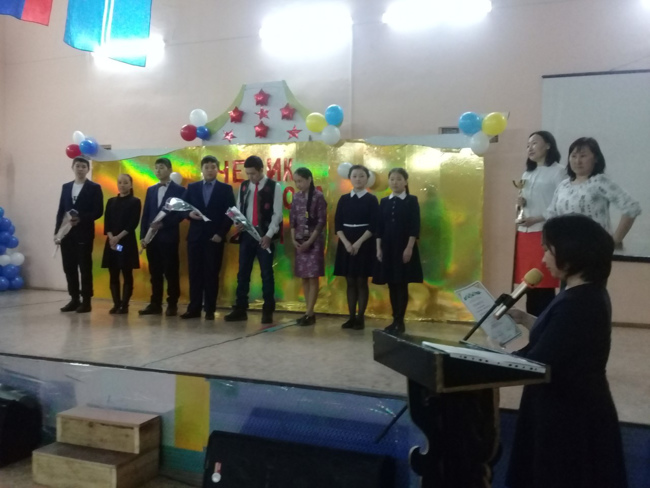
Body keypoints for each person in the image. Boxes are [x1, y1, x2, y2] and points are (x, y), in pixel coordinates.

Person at [506, 214, 627, 488]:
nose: (543, 258)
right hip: (564, 407)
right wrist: (525, 319)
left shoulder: (580, 302)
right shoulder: (580, 293)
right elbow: (559, 334)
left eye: (548, 250)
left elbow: (540, 361)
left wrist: (490, 361)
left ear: (571, 254)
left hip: (568, 417)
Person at [546, 137, 641, 247]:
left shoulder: (600, 181)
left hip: (594, 248)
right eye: (573, 156)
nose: (577, 161)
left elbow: (631, 207)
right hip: (565, 247)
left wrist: (615, 240)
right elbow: (551, 214)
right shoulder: (563, 185)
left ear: (596, 158)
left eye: (583, 156)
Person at [225, 155, 283, 325]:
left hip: (265, 235)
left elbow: (277, 214)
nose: (250, 177)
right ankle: (240, 308)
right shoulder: (244, 186)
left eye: (253, 174)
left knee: (266, 274)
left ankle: (268, 310)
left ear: (261, 170)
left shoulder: (274, 187)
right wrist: (237, 222)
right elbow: (238, 209)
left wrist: (269, 235)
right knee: (243, 273)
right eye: (248, 174)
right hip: (247, 235)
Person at [514, 131, 566, 316]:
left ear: (548, 145)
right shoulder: (527, 173)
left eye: (535, 143)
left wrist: (537, 218)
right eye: (528, 145)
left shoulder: (559, 171)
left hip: (544, 233)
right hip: (525, 234)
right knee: (529, 284)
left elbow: (561, 203)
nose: (530, 148)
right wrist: (519, 204)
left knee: (543, 285)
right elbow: (524, 202)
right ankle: (532, 326)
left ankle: (544, 324)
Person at [181, 155, 235, 320]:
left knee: (212, 274)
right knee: (195, 273)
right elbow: (182, 207)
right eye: (207, 167)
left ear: (218, 169)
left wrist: (221, 233)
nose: (210, 170)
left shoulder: (225, 189)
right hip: (195, 238)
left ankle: (210, 309)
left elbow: (231, 213)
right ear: (202, 170)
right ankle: (194, 308)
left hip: (214, 238)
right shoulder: (192, 187)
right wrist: (189, 214)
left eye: (213, 167)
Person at [374, 168, 423, 334]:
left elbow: (414, 226)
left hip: (403, 246)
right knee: (391, 284)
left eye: (399, 179)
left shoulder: (411, 200)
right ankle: (394, 319)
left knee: (401, 284)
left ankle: (400, 321)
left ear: (405, 182)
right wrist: (378, 248)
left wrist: (409, 248)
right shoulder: (384, 201)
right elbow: (379, 227)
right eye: (392, 179)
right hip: (387, 247)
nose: (395, 182)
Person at [54, 157, 104, 313]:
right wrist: (57, 233)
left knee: (84, 268)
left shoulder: (94, 187)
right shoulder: (66, 187)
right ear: (72, 167)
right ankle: (74, 299)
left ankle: (86, 301)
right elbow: (61, 211)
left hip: (84, 233)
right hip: (67, 234)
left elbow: (98, 211)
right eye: (78, 166)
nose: (80, 169)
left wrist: (81, 218)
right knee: (69, 267)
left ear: (88, 169)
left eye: (83, 166)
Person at [333, 165, 378, 330]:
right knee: (350, 280)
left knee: (361, 280)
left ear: (367, 179)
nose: (358, 179)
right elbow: (338, 223)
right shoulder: (344, 199)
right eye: (355, 176)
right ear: (350, 178)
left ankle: (360, 318)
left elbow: (374, 225)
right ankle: (351, 317)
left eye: (361, 176)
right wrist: (346, 243)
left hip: (364, 242)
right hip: (346, 241)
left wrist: (358, 243)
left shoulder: (371, 199)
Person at [139, 158, 185, 317]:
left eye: (162, 167)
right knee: (155, 273)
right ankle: (155, 304)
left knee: (171, 272)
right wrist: (143, 236)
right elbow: (146, 214)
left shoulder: (179, 190)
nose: (158, 170)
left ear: (170, 170)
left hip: (169, 237)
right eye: (156, 168)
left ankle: (172, 304)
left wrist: (164, 225)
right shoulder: (151, 190)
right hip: (151, 239)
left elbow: (181, 215)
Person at [289, 167, 327, 326]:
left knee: (313, 277)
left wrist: (310, 242)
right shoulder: (296, 197)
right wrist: (293, 239)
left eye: (301, 181)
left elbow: (321, 222)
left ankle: (309, 312)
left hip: (313, 241)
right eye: (296, 181)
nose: (298, 184)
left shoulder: (318, 196)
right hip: (299, 240)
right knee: (304, 276)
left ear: (309, 179)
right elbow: (292, 219)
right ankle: (308, 312)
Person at [101, 174, 141, 314]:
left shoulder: (135, 202)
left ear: (131, 185)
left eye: (125, 182)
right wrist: (111, 237)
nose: (122, 185)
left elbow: (133, 224)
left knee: (127, 273)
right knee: (113, 274)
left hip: (126, 243)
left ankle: (125, 305)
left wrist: (118, 237)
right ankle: (116, 304)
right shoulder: (111, 201)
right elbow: (107, 223)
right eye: (120, 182)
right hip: (112, 243)